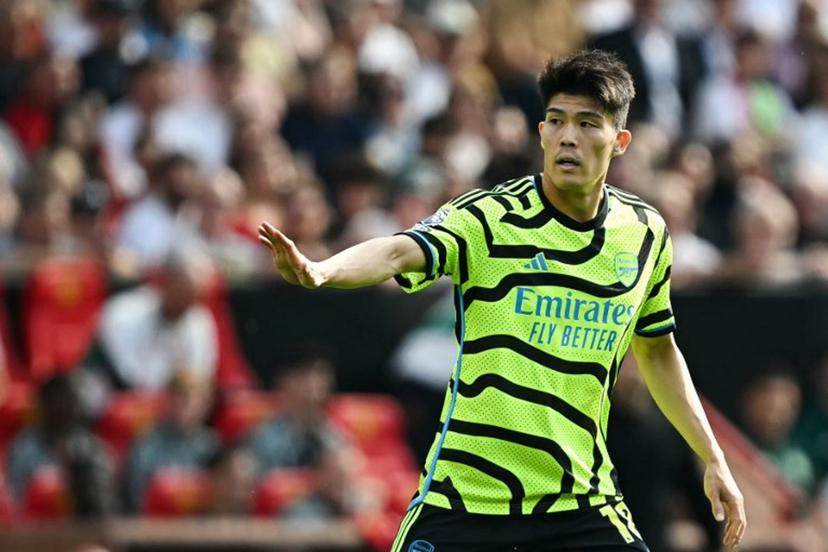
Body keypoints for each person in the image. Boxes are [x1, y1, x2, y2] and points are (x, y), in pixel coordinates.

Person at [258, 50, 746, 552]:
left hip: (579, 503)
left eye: (586, 124)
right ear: (541, 134)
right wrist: (323, 270)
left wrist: (712, 456)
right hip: (464, 504)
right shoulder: (489, 218)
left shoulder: (644, 234)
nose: (568, 137)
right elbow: (398, 251)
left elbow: (658, 349)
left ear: (619, 142)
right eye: (556, 122)